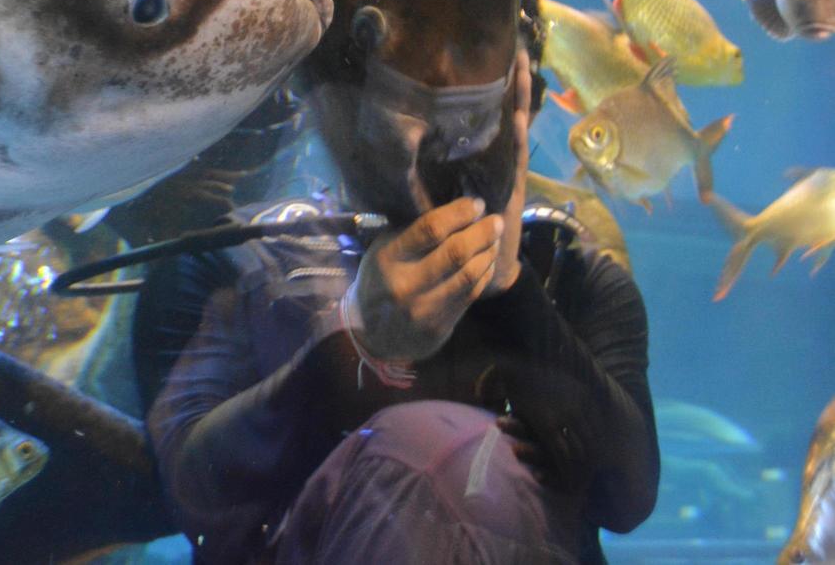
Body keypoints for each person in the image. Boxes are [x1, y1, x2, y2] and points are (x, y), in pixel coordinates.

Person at [132, 35, 659, 564]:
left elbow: (625, 498)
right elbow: (190, 499)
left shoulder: (573, 280)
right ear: (323, 98)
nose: (429, 139)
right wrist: (357, 338)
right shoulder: (235, 267)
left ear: (527, 106)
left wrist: (508, 289)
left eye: (474, 107)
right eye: (400, 95)